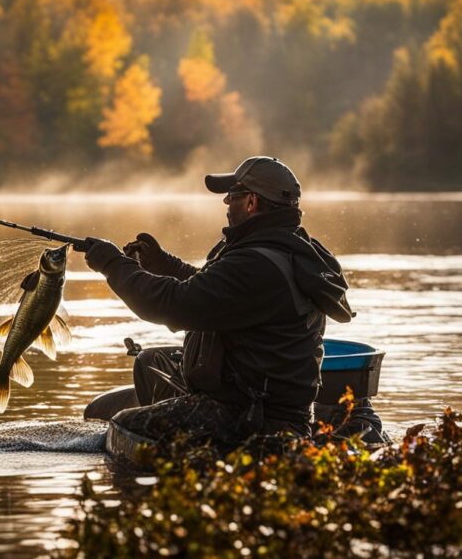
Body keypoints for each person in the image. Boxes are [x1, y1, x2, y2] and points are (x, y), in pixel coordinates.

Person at [80, 156, 383, 448]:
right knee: (150, 363)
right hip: (253, 396)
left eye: (233, 195)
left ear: (252, 202)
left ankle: (172, 477)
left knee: (124, 427)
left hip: (253, 418)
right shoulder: (288, 247)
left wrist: (112, 265)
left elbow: (173, 305)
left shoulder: (256, 263)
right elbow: (220, 293)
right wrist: (165, 265)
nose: (226, 203)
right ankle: (183, 442)